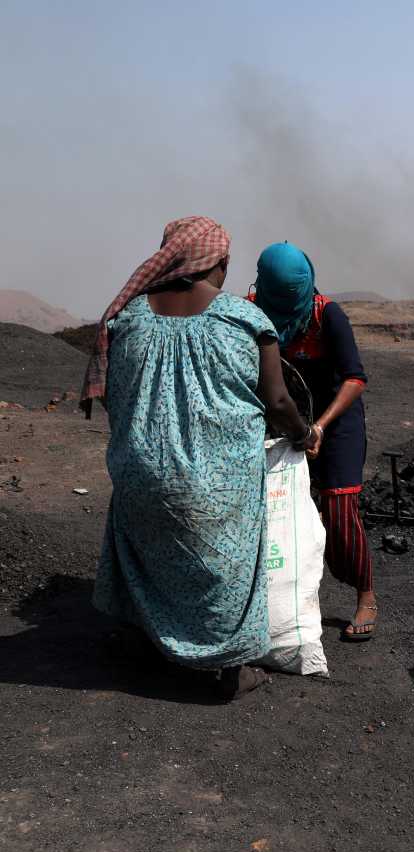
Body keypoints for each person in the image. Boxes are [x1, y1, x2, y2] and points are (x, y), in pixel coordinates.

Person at [82, 217, 318, 700]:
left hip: (138, 473)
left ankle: (151, 642)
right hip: (216, 482)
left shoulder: (126, 320)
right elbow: (276, 403)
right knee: (225, 568)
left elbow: (119, 398)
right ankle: (228, 668)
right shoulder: (246, 320)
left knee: (151, 555)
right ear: (219, 263)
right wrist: (303, 433)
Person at [251, 243, 378, 642]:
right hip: (284, 418)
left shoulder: (328, 315)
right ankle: (287, 595)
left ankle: (366, 594)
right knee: (281, 513)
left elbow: (355, 378)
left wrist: (319, 427)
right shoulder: (253, 309)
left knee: (339, 508)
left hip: (335, 423)